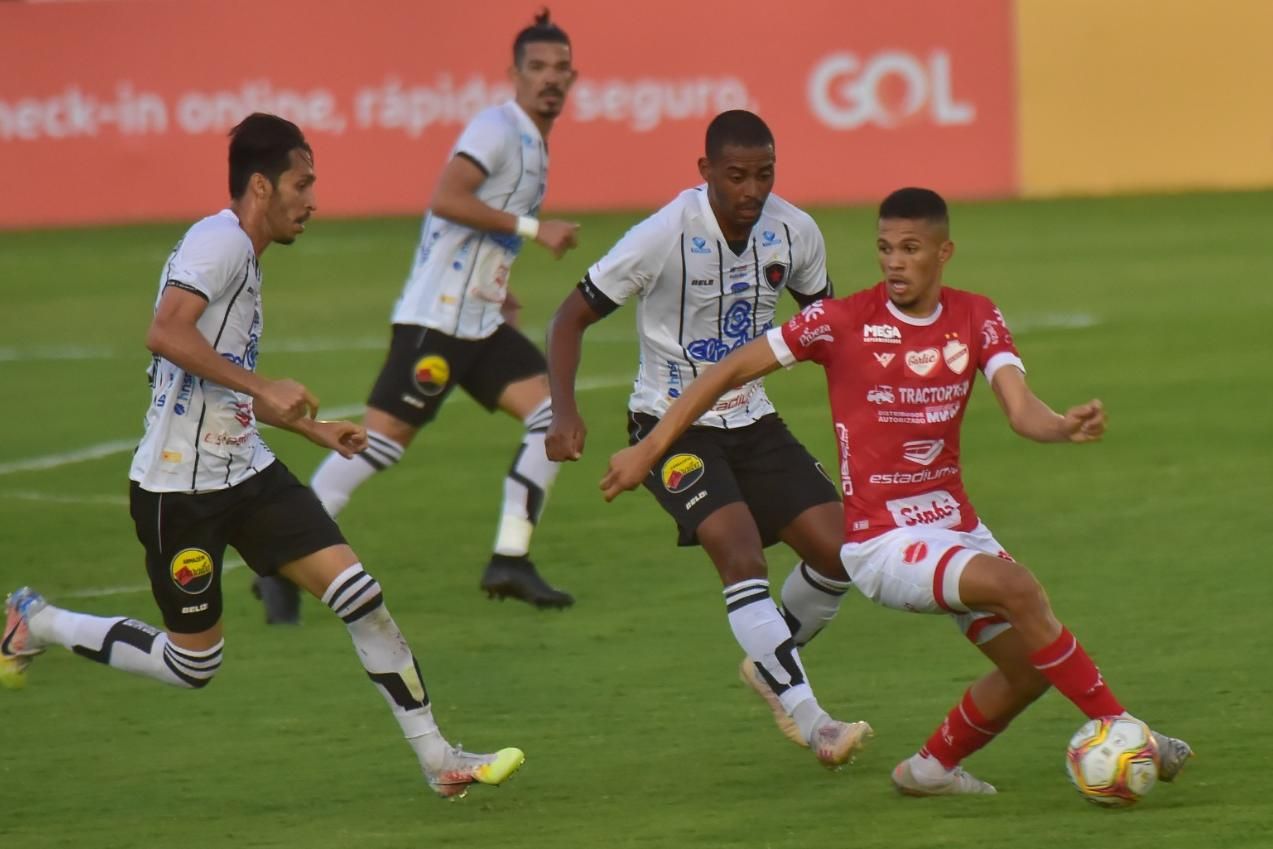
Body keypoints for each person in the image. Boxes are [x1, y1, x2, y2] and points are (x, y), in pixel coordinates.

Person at [600, 187, 1194, 796]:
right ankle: (1122, 727)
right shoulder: (838, 322)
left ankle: (929, 769)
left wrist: (1062, 428)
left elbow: (1021, 410)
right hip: (884, 543)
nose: (894, 262)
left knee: (1026, 667)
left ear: (943, 253)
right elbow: (727, 370)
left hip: (956, 527)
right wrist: (650, 447)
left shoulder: (976, 315)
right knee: (1018, 588)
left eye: (911, 249)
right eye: (885, 248)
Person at [0, 113, 524, 801]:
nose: (312, 200)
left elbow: (221, 371)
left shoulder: (243, 256)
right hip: (176, 491)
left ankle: (439, 758)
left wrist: (310, 429)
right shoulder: (218, 242)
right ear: (260, 185)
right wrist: (262, 387)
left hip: (246, 470)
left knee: (360, 597)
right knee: (194, 664)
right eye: (302, 184)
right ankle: (35, 619)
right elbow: (165, 332)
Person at [546, 110, 872, 770]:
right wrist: (562, 411)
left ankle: (768, 663)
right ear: (704, 172)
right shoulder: (664, 233)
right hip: (668, 426)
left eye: (763, 174)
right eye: (736, 176)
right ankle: (815, 722)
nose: (751, 190)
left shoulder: (794, 232)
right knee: (740, 551)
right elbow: (570, 315)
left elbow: (825, 330)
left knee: (844, 554)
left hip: (753, 418)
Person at [252, 10, 581, 622]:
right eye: (537, 67)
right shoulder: (497, 128)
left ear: (574, 76)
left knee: (552, 416)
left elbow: (471, 226)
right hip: (438, 322)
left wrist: (500, 284)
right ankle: (278, 559)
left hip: (479, 322)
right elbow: (448, 198)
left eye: (561, 68)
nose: (550, 79)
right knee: (376, 443)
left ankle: (510, 558)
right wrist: (538, 230)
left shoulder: (533, 143)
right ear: (513, 74)